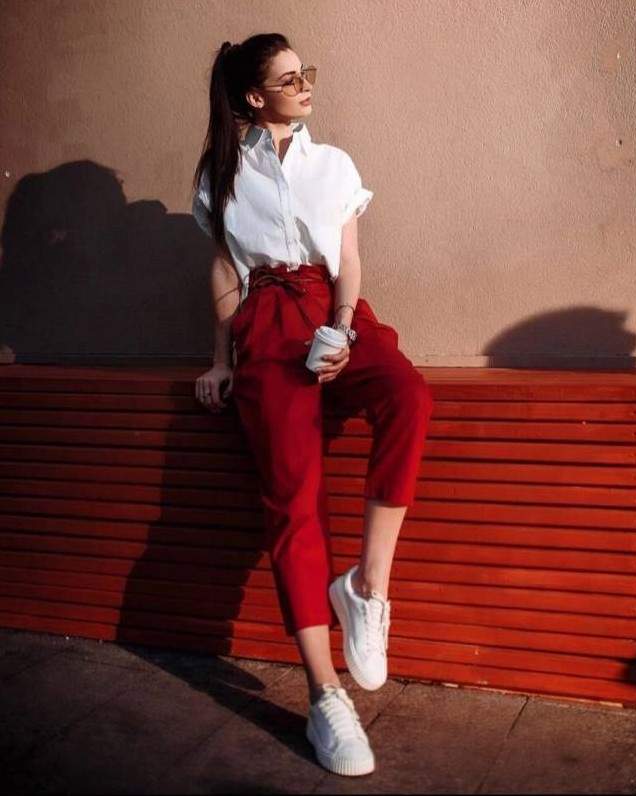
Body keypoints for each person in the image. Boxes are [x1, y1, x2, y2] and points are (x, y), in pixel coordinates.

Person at [191, 32, 433, 777]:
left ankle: (366, 586)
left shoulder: (334, 164)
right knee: (293, 500)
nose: (306, 86)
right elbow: (225, 268)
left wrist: (342, 327)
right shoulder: (222, 172)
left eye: (306, 74)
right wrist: (221, 359)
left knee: (408, 395)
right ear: (254, 95)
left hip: (335, 309)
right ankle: (326, 694)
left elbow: (349, 259)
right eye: (290, 78)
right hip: (267, 323)